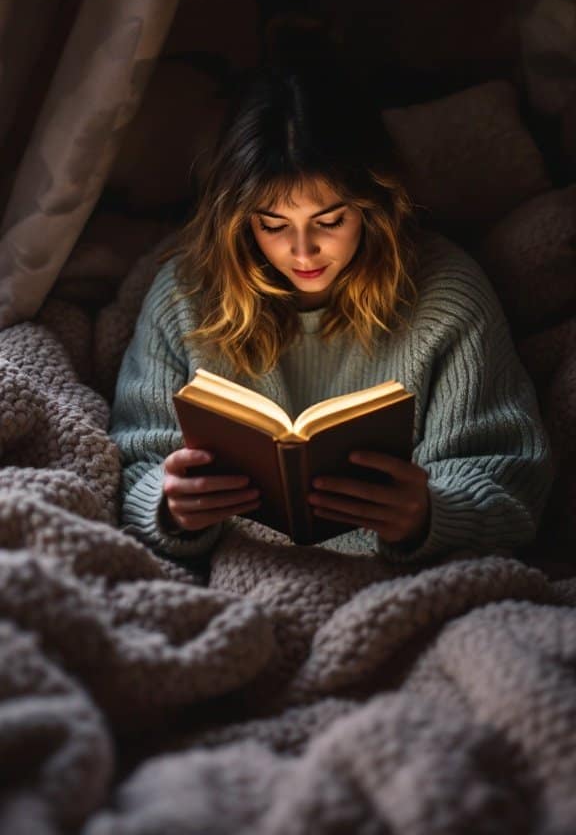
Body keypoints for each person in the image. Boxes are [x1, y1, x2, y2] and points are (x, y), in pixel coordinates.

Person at [110, 58, 552, 566]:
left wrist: (430, 513)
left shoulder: (447, 297)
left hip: (394, 574)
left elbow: (510, 478)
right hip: (240, 566)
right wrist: (169, 508)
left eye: (330, 220)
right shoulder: (185, 296)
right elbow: (133, 465)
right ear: (236, 220)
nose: (303, 252)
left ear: (373, 206)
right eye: (273, 225)